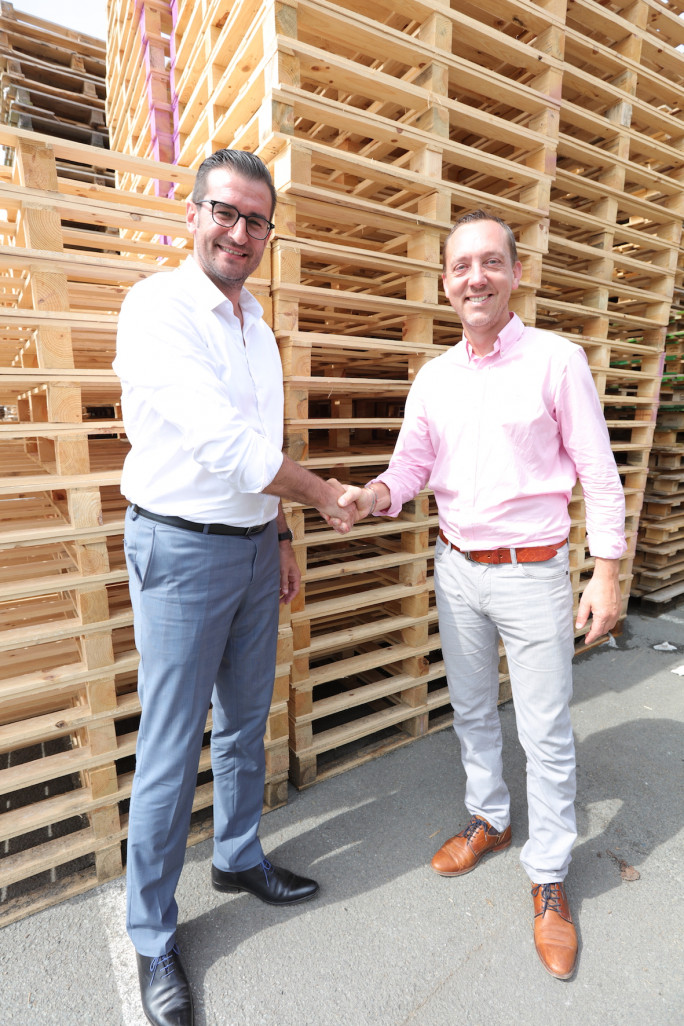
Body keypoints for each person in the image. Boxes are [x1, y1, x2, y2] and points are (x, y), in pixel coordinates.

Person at [334, 210, 625, 981]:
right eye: (461, 266)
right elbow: (410, 469)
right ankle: (490, 818)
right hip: (457, 567)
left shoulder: (557, 361)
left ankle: (550, 876)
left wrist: (608, 568)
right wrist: (373, 496)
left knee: (546, 731)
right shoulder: (434, 378)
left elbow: (598, 471)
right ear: (445, 283)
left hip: (533, 573)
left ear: (517, 274)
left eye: (491, 262)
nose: (476, 278)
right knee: (469, 709)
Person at [114, 149, 355, 1026]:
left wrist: (285, 531)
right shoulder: (158, 309)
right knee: (172, 748)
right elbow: (226, 446)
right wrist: (326, 495)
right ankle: (151, 935)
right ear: (194, 214)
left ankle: (238, 854)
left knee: (247, 721)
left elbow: (262, 437)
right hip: (179, 550)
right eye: (227, 211)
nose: (240, 232)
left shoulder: (258, 325)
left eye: (257, 220)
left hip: (254, 549)